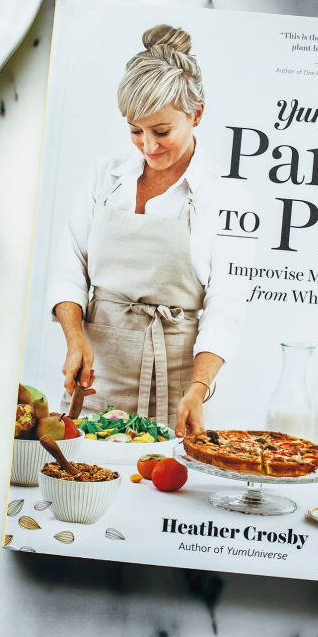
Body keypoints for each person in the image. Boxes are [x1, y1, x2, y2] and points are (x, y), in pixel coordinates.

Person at [48, 24, 253, 437]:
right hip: (95, 378)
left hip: (178, 392)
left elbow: (227, 308)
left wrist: (198, 390)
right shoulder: (104, 178)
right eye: (135, 131)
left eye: (162, 131)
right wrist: (74, 339)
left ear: (197, 114)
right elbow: (69, 269)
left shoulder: (226, 199)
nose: (148, 146)